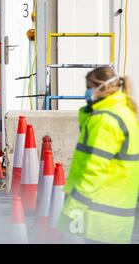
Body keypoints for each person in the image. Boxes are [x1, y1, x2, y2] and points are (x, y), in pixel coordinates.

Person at [59, 66, 139, 244]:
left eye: (89, 87)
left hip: (98, 212)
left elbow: (94, 170)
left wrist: (72, 209)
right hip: (118, 210)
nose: (87, 92)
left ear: (102, 87)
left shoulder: (105, 119)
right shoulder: (126, 112)